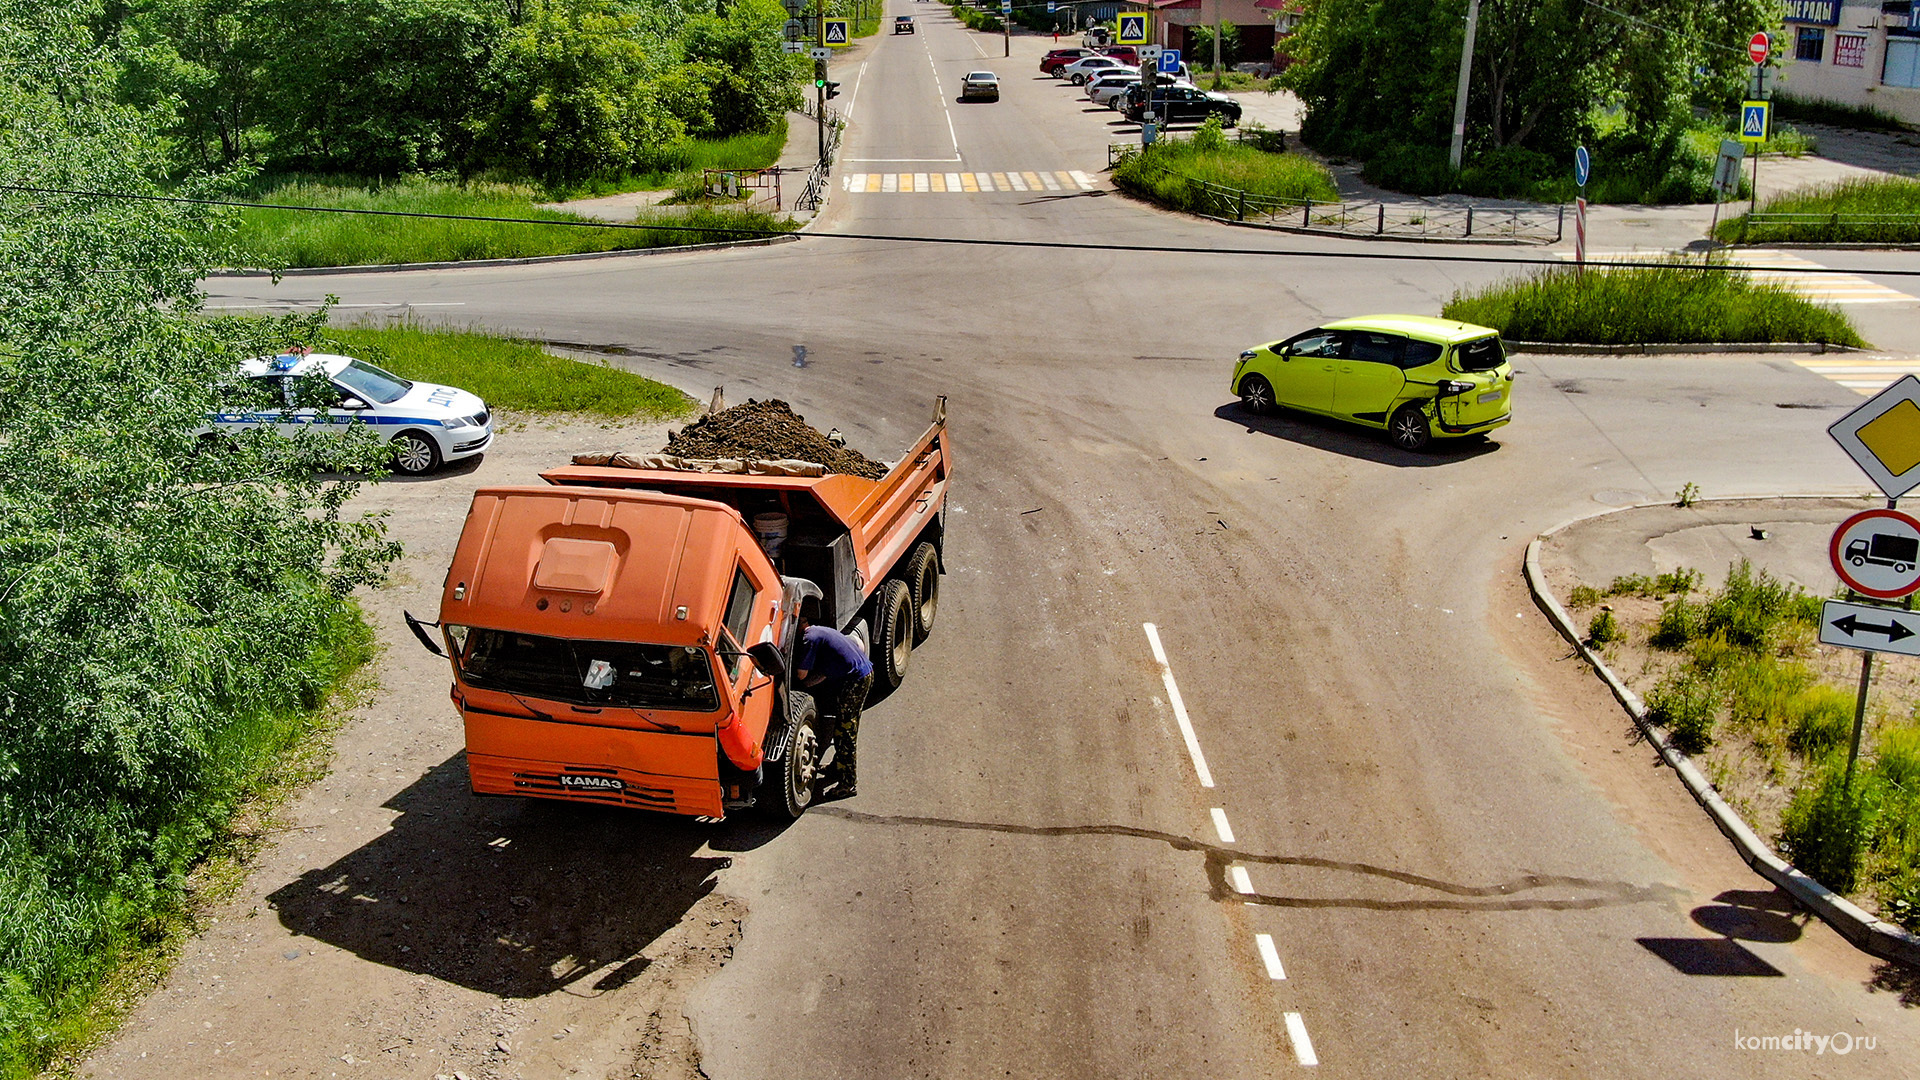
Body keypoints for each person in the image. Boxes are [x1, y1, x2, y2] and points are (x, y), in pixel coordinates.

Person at [794, 607, 873, 798]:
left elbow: (801, 674)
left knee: (845, 732)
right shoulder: (819, 631)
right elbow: (821, 675)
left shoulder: (809, 639)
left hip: (856, 681)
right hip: (861, 674)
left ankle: (848, 784)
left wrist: (798, 685)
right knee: (844, 727)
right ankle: (837, 768)